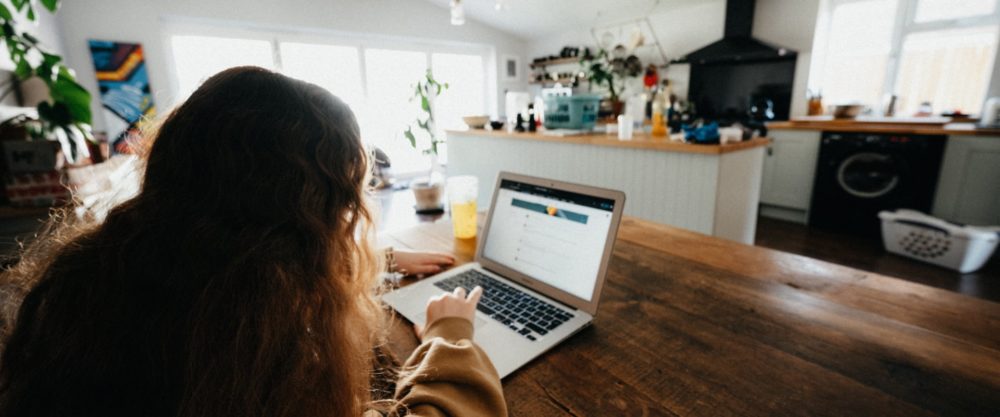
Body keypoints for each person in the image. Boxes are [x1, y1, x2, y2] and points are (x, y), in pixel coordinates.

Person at [0, 66, 506, 417]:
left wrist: (379, 258)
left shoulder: (101, 275)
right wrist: (450, 337)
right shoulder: (248, 348)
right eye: (338, 205)